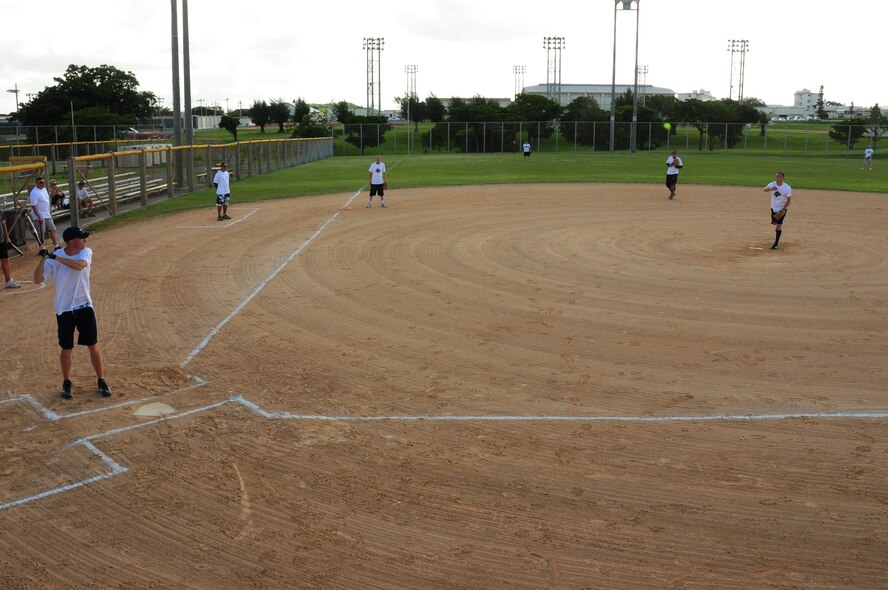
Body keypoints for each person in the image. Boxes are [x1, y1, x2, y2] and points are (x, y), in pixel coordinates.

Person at [33, 226, 112, 399]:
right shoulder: (55, 258)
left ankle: (101, 380)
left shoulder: (85, 252)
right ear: (72, 242)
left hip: (84, 306)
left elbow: (79, 266)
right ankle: (67, 382)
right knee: (66, 348)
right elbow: (37, 280)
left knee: (93, 345)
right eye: (82, 238)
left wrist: (55, 256)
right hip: (64, 309)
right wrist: (42, 259)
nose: (85, 240)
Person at [763, 171, 793, 251]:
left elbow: (789, 200)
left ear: (783, 178)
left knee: (779, 225)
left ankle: (776, 244)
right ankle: (775, 221)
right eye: (776, 176)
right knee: (774, 223)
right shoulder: (772, 184)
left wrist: (784, 209)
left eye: (779, 177)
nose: (777, 178)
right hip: (773, 207)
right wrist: (771, 188)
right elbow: (764, 189)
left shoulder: (787, 188)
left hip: (782, 209)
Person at [29, 177, 60, 250]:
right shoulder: (34, 192)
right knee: (41, 233)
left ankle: (56, 246)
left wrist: (54, 189)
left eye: (43, 182)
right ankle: (42, 248)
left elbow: (51, 196)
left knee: (52, 229)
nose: (43, 184)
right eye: (41, 182)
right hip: (40, 215)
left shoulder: (44, 189)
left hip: (47, 213)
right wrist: (39, 217)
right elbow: (34, 206)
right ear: (36, 183)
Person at [1, 216, 21, 288]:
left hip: (1, 240)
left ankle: (8, 281)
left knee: (5, 260)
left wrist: (7, 236)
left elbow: (3, 223)